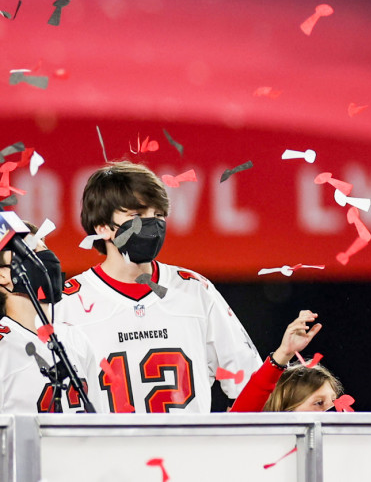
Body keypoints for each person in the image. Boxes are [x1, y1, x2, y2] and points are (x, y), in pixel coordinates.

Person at [55, 161, 260, 413]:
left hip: (187, 450)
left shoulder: (195, 291)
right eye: (137, 215)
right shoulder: (67, 303)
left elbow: (248, 382)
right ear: (102, 227)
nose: (152, 224)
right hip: (106, 451)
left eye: (158, 215)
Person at [232, 311, 371, 412]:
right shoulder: (263, 449)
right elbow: (240, 421)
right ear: (284, 411)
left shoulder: (347, 446)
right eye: (319, 404)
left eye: (333, 401)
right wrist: (283, 354)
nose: (334, 409)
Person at [0, 219, 98, 413]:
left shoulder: (74, 337)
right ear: (2, 276)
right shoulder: (3, 347)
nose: (46, 257)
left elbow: (99, 423)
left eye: (44, 247)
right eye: (32, 251)